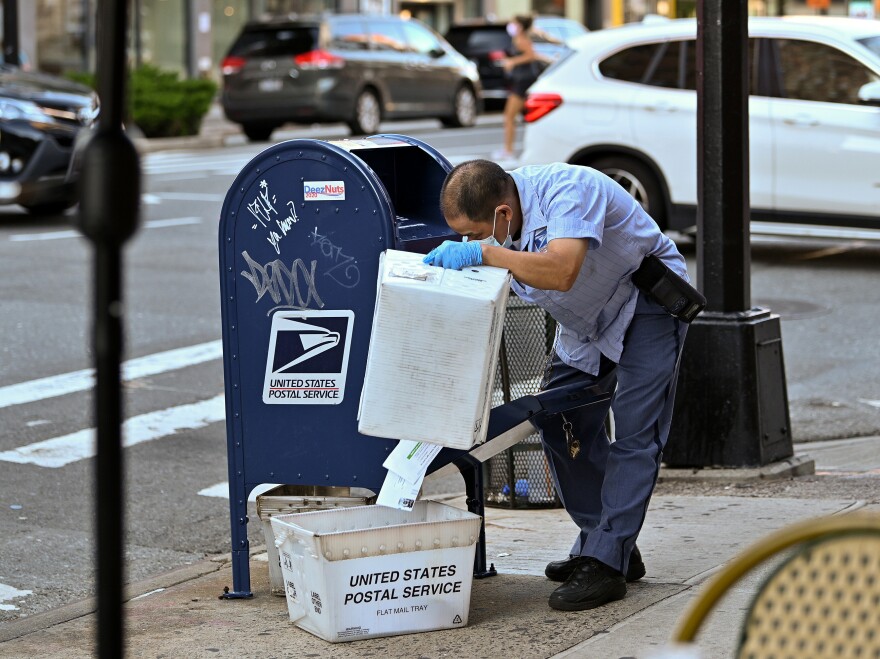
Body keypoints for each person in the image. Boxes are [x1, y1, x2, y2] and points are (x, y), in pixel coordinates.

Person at [423, 160, 694, 612]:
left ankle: (606, 564)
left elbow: (561, 270)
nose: (469, 244)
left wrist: (486, 255)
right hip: (585, 323)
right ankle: (605, 543)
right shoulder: (504, 229)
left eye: (474, 234)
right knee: (557, 421)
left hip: (643, 303)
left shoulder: (569, 190)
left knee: (635, 433)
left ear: (503, 214)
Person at [494, 15, 542, 160]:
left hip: (523, 82)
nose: (511, 25)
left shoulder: (522, 40)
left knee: (509, 116)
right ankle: (509, 149)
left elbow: (531, 56)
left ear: (520, 26)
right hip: (520, 80)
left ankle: (508, 150)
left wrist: (512, 62)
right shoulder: (518, 39)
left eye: (514, 23)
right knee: (519, 116)